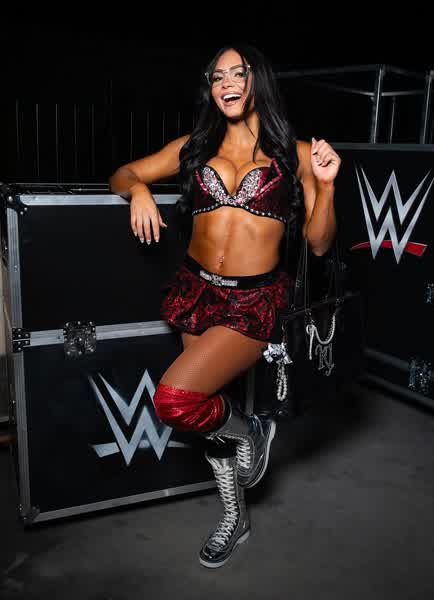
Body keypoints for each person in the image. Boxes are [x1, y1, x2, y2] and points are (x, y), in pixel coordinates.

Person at [109, 42, 340, 568]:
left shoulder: (298, 155)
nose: (227, 83)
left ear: (260, 81)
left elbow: (321, 243)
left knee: (175, 401)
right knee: (203, 410)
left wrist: (326, 188)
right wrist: (139, 191)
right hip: (197, 290)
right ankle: (235, 517)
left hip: (252, 300)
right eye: (218, 76)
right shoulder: (194, 147)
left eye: (239, 73)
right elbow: (122, 173)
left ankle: (251, 430)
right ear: (210, 88)